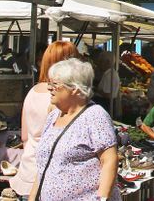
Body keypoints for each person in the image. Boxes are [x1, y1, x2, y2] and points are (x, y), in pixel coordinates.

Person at [29, 58, 120, 201]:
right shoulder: (53, 117)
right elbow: (44, 166)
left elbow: (109, 161)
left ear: (75, 89)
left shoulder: (95, 116)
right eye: (49, 83)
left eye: (55, 84)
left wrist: (102, 199)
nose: (49, 88)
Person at [10, 40, 78, 197]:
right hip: (50, 178)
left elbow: (25, 137)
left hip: (28, 170)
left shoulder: (32, 92)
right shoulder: (61, 97)